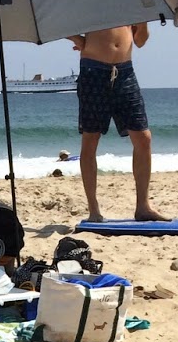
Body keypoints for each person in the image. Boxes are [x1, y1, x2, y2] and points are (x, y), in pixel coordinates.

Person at [69, 25, 164, 222]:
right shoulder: (88, 2)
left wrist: (143, 21)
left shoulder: (132, 5)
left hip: (125, 71)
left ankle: (143, 207)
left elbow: (140, 41)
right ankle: (94, 210)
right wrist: (77, 38)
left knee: (143, 138)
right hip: (93, 69)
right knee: (91, 138)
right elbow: (57, 17)